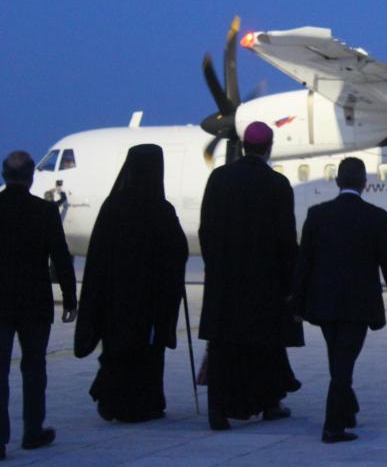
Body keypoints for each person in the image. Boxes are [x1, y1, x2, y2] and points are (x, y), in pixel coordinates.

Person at [294, 157, 387, 444]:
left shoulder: (317, 214)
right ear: (364, 183)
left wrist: (298, 304)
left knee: (338, 358)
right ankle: (333, 426)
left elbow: (304, 262)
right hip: (359, 304)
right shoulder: (376, 217)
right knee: (343, 363)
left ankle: (347, 409)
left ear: (337, 181)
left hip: (324, 303)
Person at [198, 122, 303, 431]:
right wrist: (290, 283)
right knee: (265, 346)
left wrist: (214, 266)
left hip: (224, 281)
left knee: (222, 348)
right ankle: (269, 404)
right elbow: (286, 239)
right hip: (264, 283)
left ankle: (218, 411)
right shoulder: (278, 184)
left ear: (244, 146)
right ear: (268, 148)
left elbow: (206, 229)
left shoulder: (219, 178)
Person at [74, 145, 188, 422]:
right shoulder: (162, 210)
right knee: (147, 352)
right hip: (149, 301)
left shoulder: (112, 206)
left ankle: (112, 400)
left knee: (117, 348)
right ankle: (146, 403)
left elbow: (98, 254)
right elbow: (179, 251)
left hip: (115, 298)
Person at [0, 151, 77, 459]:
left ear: (4, 175)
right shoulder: (44, 212)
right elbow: (60, 256)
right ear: (31, 177)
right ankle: (33, 431)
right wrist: (70, 298)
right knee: (34, 370)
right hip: (34, 303)